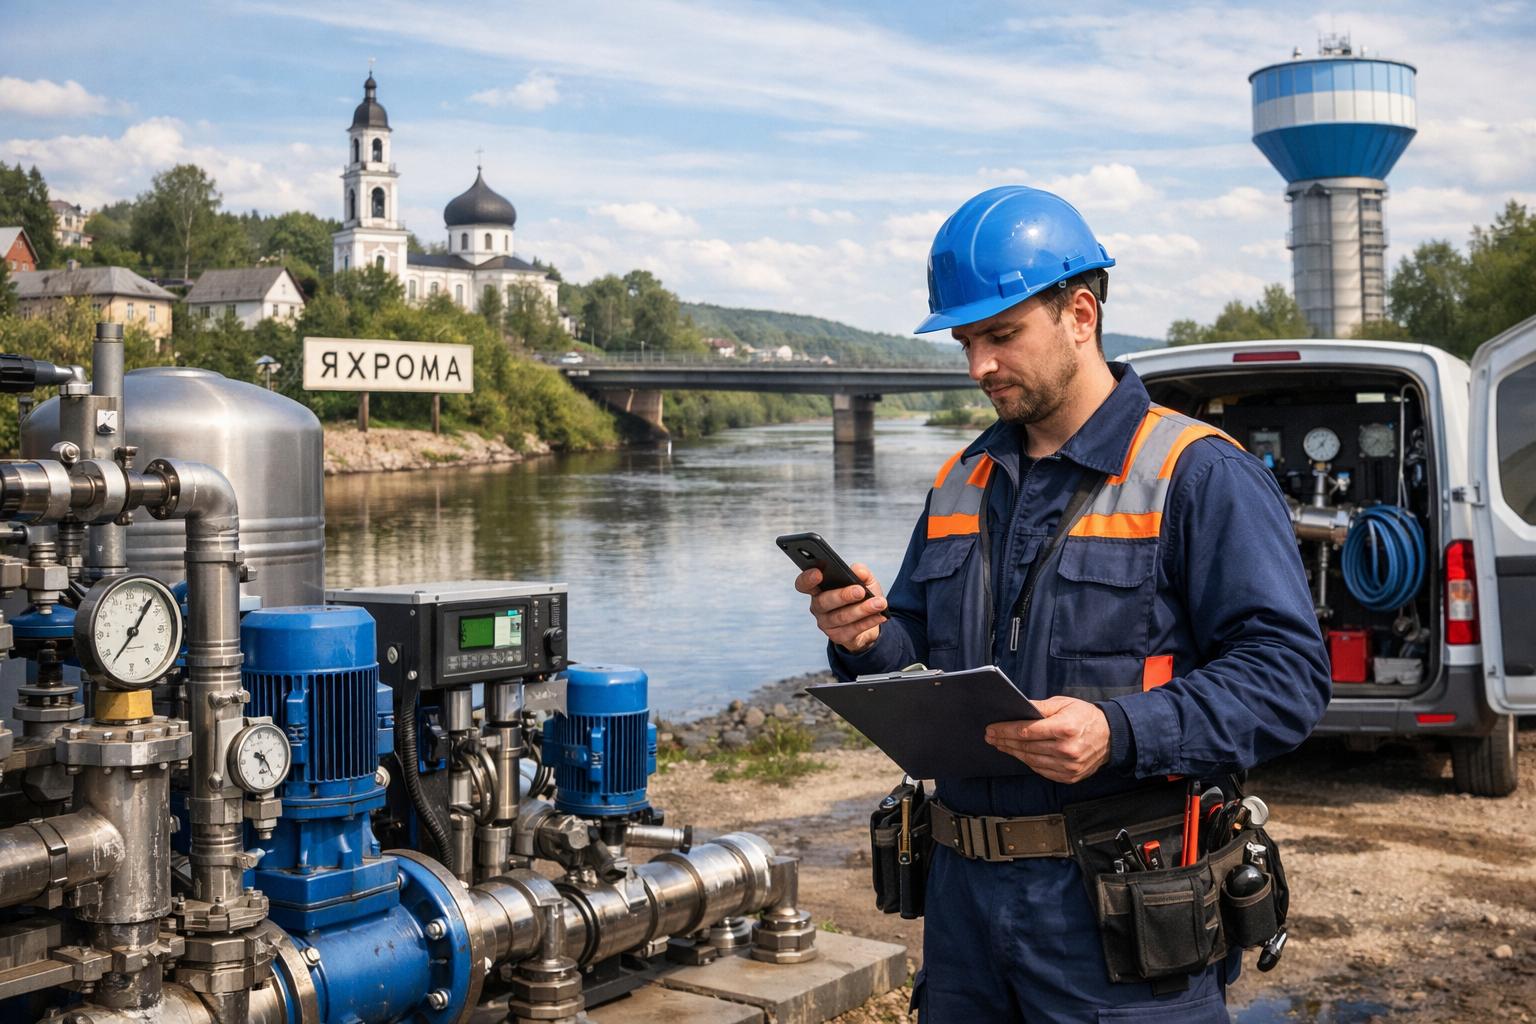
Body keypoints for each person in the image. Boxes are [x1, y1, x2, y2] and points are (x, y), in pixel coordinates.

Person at [795, 186, 1330, 1023]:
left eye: (1001, 336)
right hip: (965, 908)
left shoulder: (1198, 473)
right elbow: (917, 657)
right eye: (967, 341)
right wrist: (865, 640)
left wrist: (1118, 731)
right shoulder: (960, 480)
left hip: (1122, 915)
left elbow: (1287, 680)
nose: (978, 367)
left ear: (1081, 313)